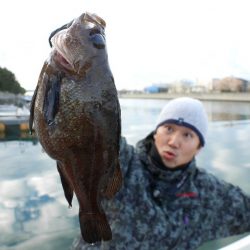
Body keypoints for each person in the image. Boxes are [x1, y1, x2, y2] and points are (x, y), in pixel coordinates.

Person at [72, 97, 250, 250]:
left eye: (187, 135)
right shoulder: (122, 164)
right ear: (156, 132)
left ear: (199, 148)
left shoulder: (207, 191)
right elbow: (86, 129)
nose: (173, 142)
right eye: (169, 129)